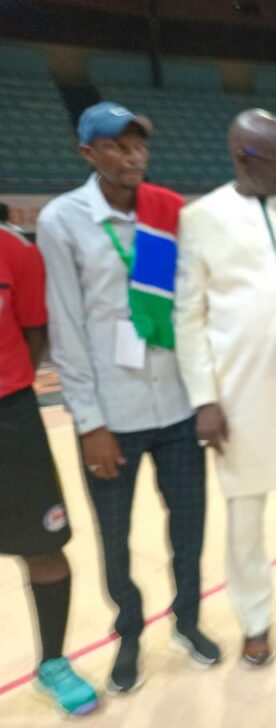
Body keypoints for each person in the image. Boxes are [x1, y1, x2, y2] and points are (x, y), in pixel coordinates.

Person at [37, 102, 220, 694]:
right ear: (88, 153)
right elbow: (67, 328)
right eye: (117, 145)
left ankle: (188, 621)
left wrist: (206, 397)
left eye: (139, 144)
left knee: (189, 527)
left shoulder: (167, 211)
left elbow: (191, 311)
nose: (133, 156)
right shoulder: (64, 220)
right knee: (114, 540)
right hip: (112, 417)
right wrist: (89, 423)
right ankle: (130, 633)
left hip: (177, 407)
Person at [173, 109, 276, 667]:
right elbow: (188, 317)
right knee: (244, 518)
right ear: (244, 158)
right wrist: (205, 399)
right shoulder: (201, 218)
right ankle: (253, 619)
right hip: (238, 397)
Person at [0, 219, 98, 716]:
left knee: (44, 546)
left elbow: (34, 330)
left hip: (11, 417)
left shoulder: (14, 249)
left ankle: (54, 664)